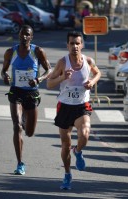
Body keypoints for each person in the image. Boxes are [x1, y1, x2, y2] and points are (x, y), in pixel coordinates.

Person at [46, 31, 101, 190]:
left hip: (81, 105)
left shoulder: (88, 61)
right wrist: (62, 77)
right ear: (67, 45)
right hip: (64, 106)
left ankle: (77, 151)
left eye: (77, 43)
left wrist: (92, 81)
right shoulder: (62, 62)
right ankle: (67, 175)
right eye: (72, 43)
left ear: (82, 45)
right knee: (65, 145)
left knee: (84, 133)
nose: (75, 46)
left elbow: (98, 73)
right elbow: (49, 84)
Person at [1, 25, 51, 175]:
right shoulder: (11, 52)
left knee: (29, 132)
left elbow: (49, 70)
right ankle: (20, 163)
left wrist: (38, 79)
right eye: (22, 34)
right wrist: (5, 76)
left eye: (27, 35)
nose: (24, 37)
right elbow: (3, 70)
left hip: (31, 94)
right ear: (19, 35)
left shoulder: (38, 52)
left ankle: (25, 120)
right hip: (16, 92)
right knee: (17, 127)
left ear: (31, 37)